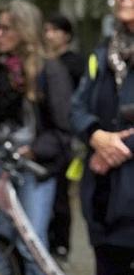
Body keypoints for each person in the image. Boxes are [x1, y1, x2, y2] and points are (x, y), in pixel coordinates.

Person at [0, 0, 72, 275]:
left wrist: (33, 150)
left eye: (5, 28)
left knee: (31, 239)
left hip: (34, 171)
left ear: (24, 30)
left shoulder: (49, 71)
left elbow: (63, 129)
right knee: (2, 238)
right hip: (0, 167)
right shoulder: (1, 69)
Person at [70, 0, 134, 275]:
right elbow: (77, 105)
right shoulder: (103, 52)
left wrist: (119, 147)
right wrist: (96, 135)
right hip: (107, 193)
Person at [44, 14, 86, 261]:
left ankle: (61, 244)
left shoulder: (76, 63)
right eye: (46, 29)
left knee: (61, 195)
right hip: (47, 137)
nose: (49, 34)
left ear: (66, 35)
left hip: (67, 139)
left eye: (54, 30)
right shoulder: (41, 63)